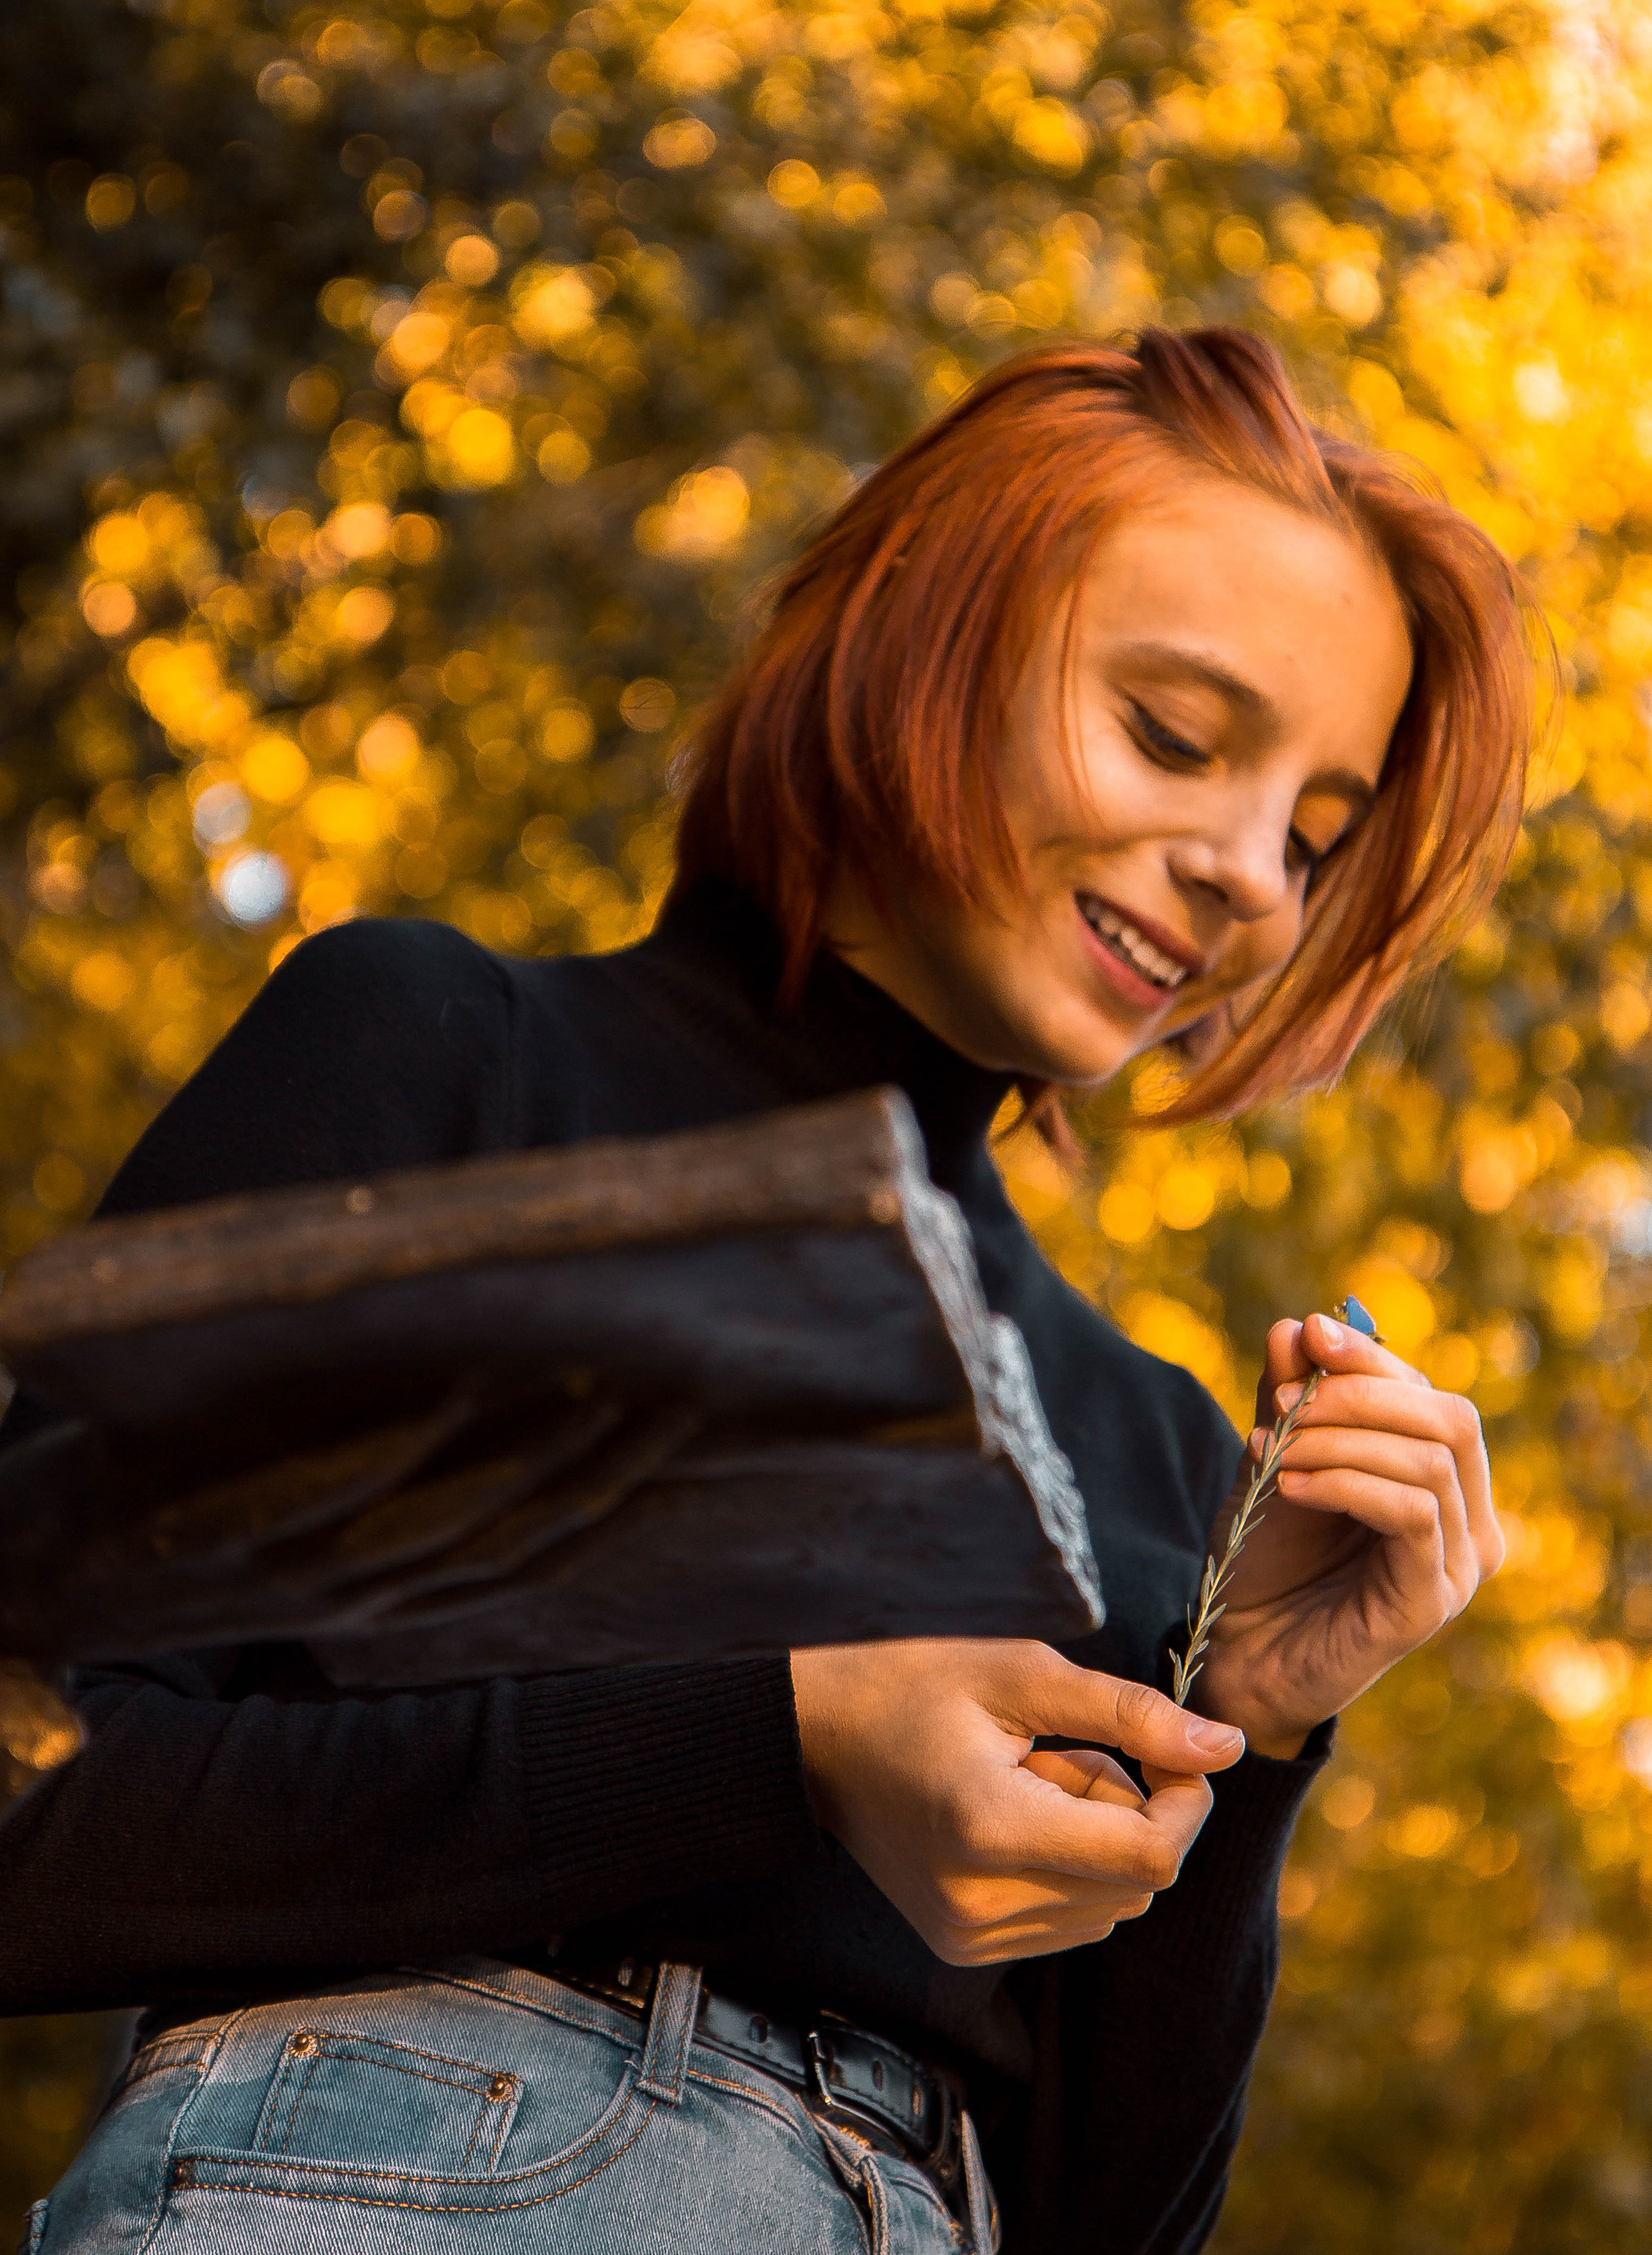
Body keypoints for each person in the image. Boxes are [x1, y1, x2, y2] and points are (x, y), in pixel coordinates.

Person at [3, 328, 1532, 2255]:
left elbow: (1101, 2227)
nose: (1245, 874)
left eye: (1314, 839)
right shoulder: (450, 1059)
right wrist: (779, 1739)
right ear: (924, 631)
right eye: (1170, 733)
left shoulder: (1162, 1443)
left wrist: (1263, 1731)